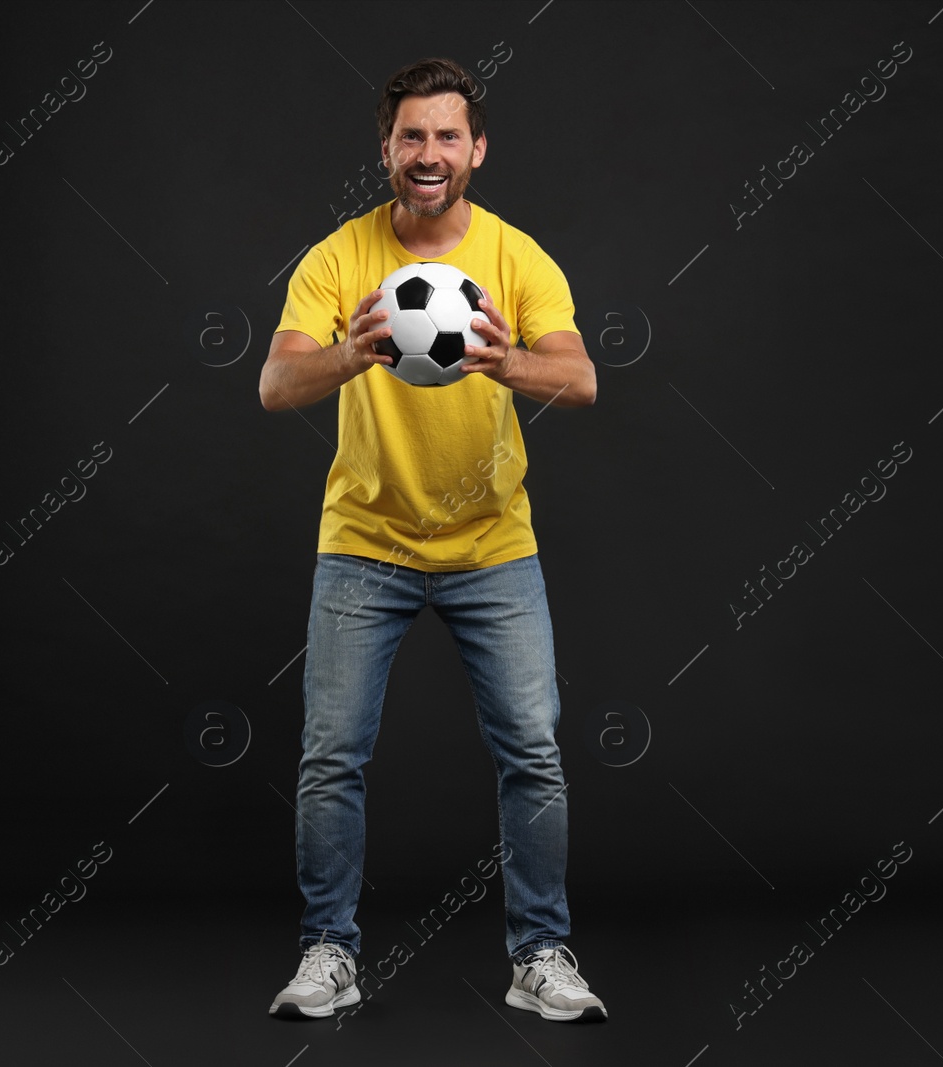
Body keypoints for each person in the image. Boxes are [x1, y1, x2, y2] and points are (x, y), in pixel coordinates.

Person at [259, 57, 604, 1024]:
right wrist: (352, 350)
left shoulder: (516, 257)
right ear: (386, 150)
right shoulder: (339, 259)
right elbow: (273, 385)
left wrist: (508, 361)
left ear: (477, 150)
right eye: (412, 135)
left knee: (533, 751)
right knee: (331, 754)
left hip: (493, 546)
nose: (429, 153)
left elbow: (580, 379)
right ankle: (330, 952)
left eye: (448, 136)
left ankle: (540, 955)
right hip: (365, 542)